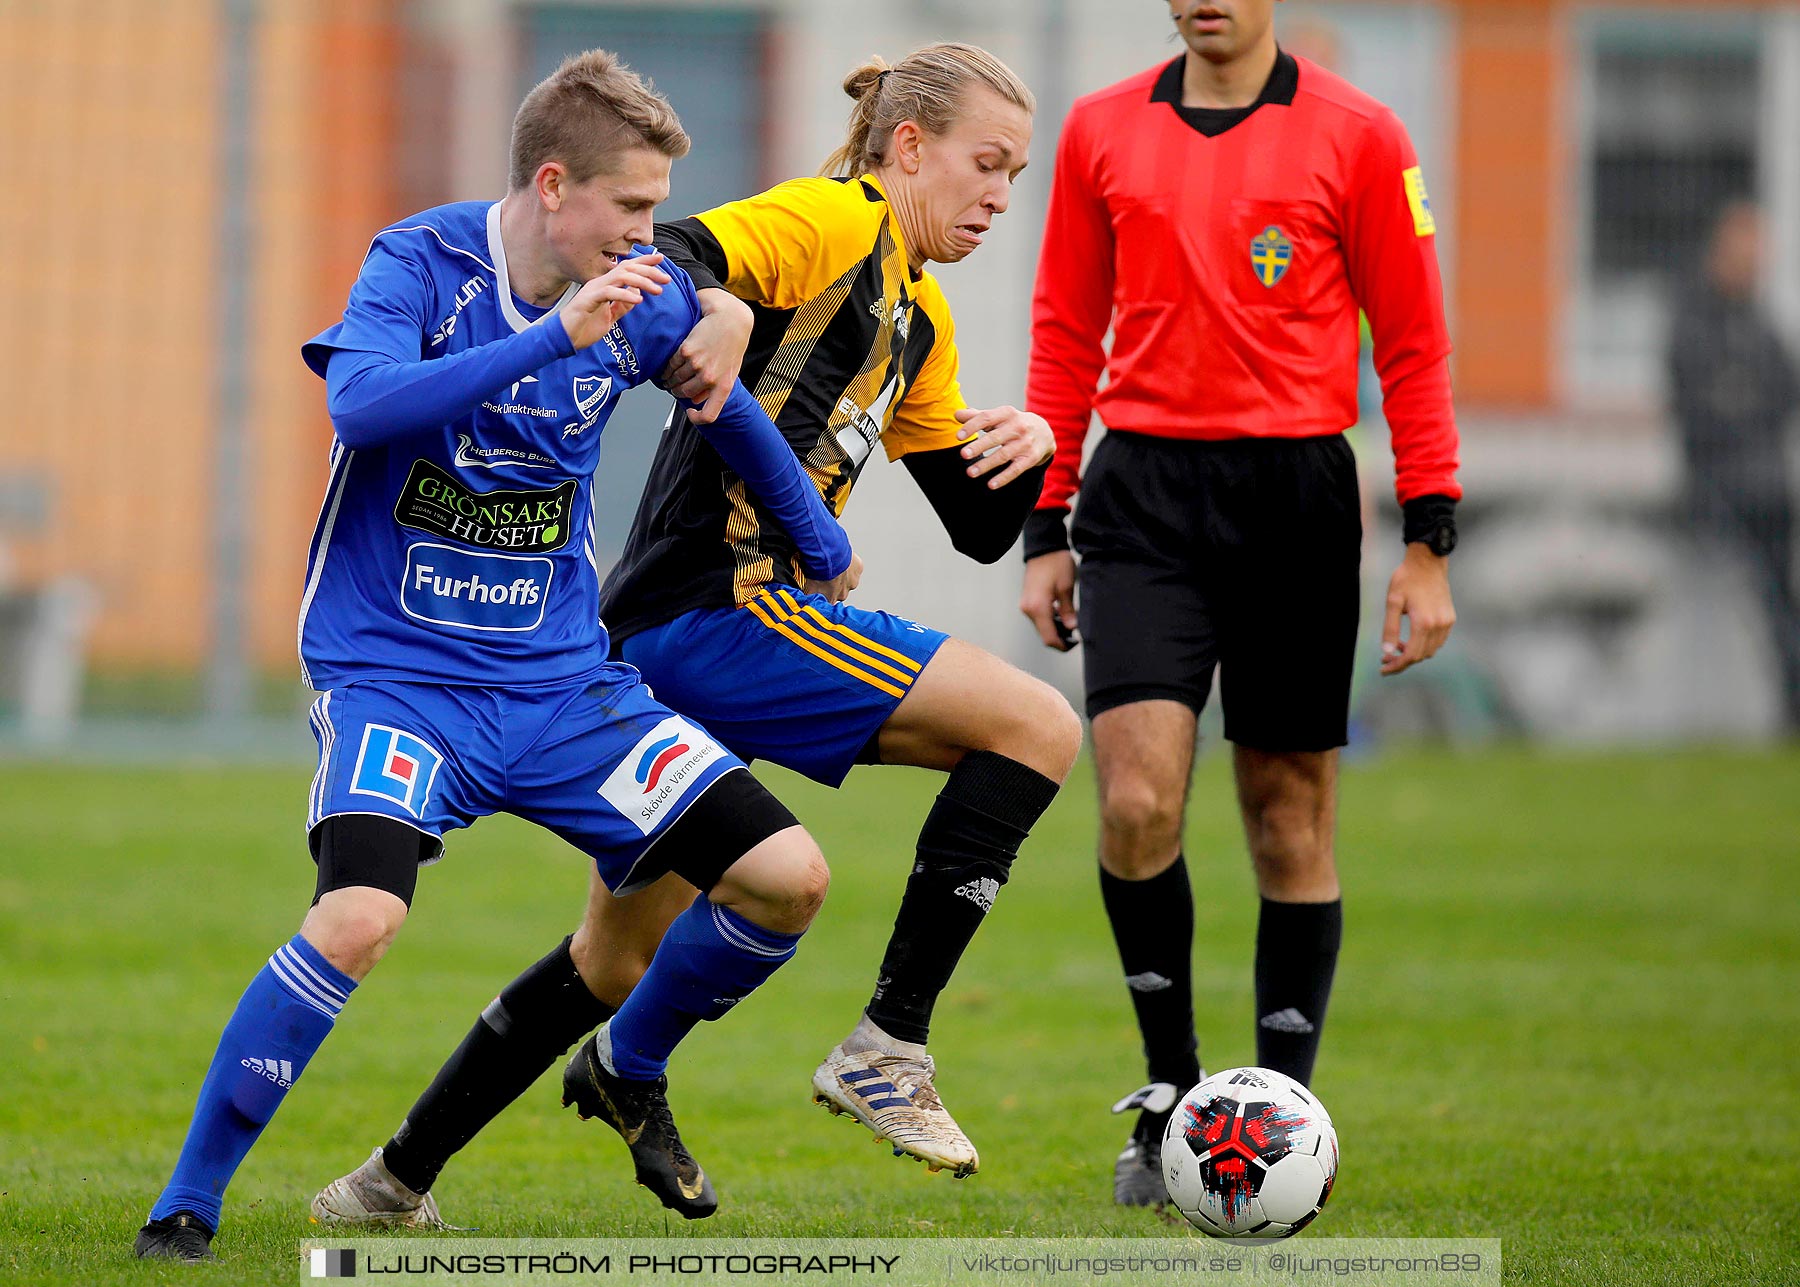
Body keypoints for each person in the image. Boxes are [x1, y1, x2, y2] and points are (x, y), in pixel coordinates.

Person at [310, 42, 1080, 1227]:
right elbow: (663, 247)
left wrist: (1031, 453)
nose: (998, 197)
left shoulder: (917, 318)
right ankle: (891, 1043)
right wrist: (716, 303)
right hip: (725, 611)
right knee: (1035, 725)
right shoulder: (833, 217)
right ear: (908, 148)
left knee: (610, 963)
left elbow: (978, 527)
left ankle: (392, 1178)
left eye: (1017, 176)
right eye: (986, 165)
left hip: (671, 647)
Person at [133, 49, 858, 1260]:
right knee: (359, 917)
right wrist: (552, 338)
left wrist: (822, 542)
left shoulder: (639, 292)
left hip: (562, 691)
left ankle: (623, 1065)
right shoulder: (420, 262)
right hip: (399, 680)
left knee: (789, 879)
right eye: (633, 208)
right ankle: (188, 1207)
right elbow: (361, 408)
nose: (651, 237)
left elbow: (727, 409)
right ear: (555, 183)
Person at [1019, 0, 1461, 1206]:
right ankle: (1170, 1099)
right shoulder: (1103, 128)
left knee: (1287, 818)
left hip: (1297, 498)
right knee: (1138, 800)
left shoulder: (1362, 134)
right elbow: (1064, 329)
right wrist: (1043, 522)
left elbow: (1413, 343)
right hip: (1144, 495)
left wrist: (1430, 539)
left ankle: (1276, 1125)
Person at [1667, 200, 1800, 731]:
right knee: (1737, 611)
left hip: (1770, 496)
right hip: (1718, 498)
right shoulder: (1694, 319)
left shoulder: (1759, 323)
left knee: (1779, 612)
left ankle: (1788, 711)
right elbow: (1702, 410)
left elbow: (1783, 392)